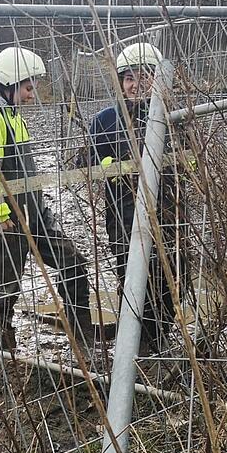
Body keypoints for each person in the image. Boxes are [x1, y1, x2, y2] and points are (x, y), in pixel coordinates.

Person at [0, 47, 97, 351]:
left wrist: (38, 207)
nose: (31, 94)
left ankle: (83, 338)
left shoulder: (11, 115)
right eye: (27, 87)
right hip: (6, 220)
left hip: (33, 212)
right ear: (10, 84)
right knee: (3, 289)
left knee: (72, 262)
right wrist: (0, 213)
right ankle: (1, 351)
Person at [83, 42, 185, 354]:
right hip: (122, 216)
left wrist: (180, 165)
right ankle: (137, 343)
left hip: (169, 212)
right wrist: (107, 167)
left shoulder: (174, 117)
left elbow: (192, 158)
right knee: (132, 278)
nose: (135, 84)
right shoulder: (105, 120)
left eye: (144, 76)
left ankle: (159, 337)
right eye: (129, 78)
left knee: (169, 276)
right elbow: (84, 162)